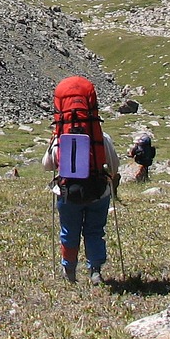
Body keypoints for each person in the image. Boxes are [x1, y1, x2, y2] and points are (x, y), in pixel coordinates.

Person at [43, 76, 120, 285]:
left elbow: (47, 165)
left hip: (68, 191)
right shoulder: (101, 137)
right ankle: (95, 271)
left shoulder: (60, 138)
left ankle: (69, 271)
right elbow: (114, 164)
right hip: (98, 190)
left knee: (69, 230)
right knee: (95, 231)